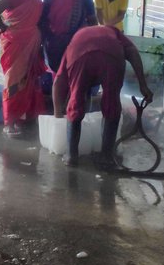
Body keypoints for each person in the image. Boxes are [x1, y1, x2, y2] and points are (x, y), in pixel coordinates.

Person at [52, 25, 154, 168]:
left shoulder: (74, 42)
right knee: (111, 103)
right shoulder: (113, 32)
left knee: (76, 100)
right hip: (112, 54)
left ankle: (71, 155)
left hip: (80, 55)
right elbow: (132, 51)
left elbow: (58, 82)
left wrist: (57, 114)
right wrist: (143, 85)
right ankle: (106, 156)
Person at [0, 0, 47, 138]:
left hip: (31, 43)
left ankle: (26, 115)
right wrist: (5, 27)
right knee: (13, 81)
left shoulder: (37, 0)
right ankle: (10, 121)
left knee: (28, 80)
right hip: (13, 42)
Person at [40, 0, 97, 73]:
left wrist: (93, 41)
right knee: (58, 73)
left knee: (77, 73)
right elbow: (43, 23)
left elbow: (92, 20)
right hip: (54, 44)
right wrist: (42, 44)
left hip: (78, 42)